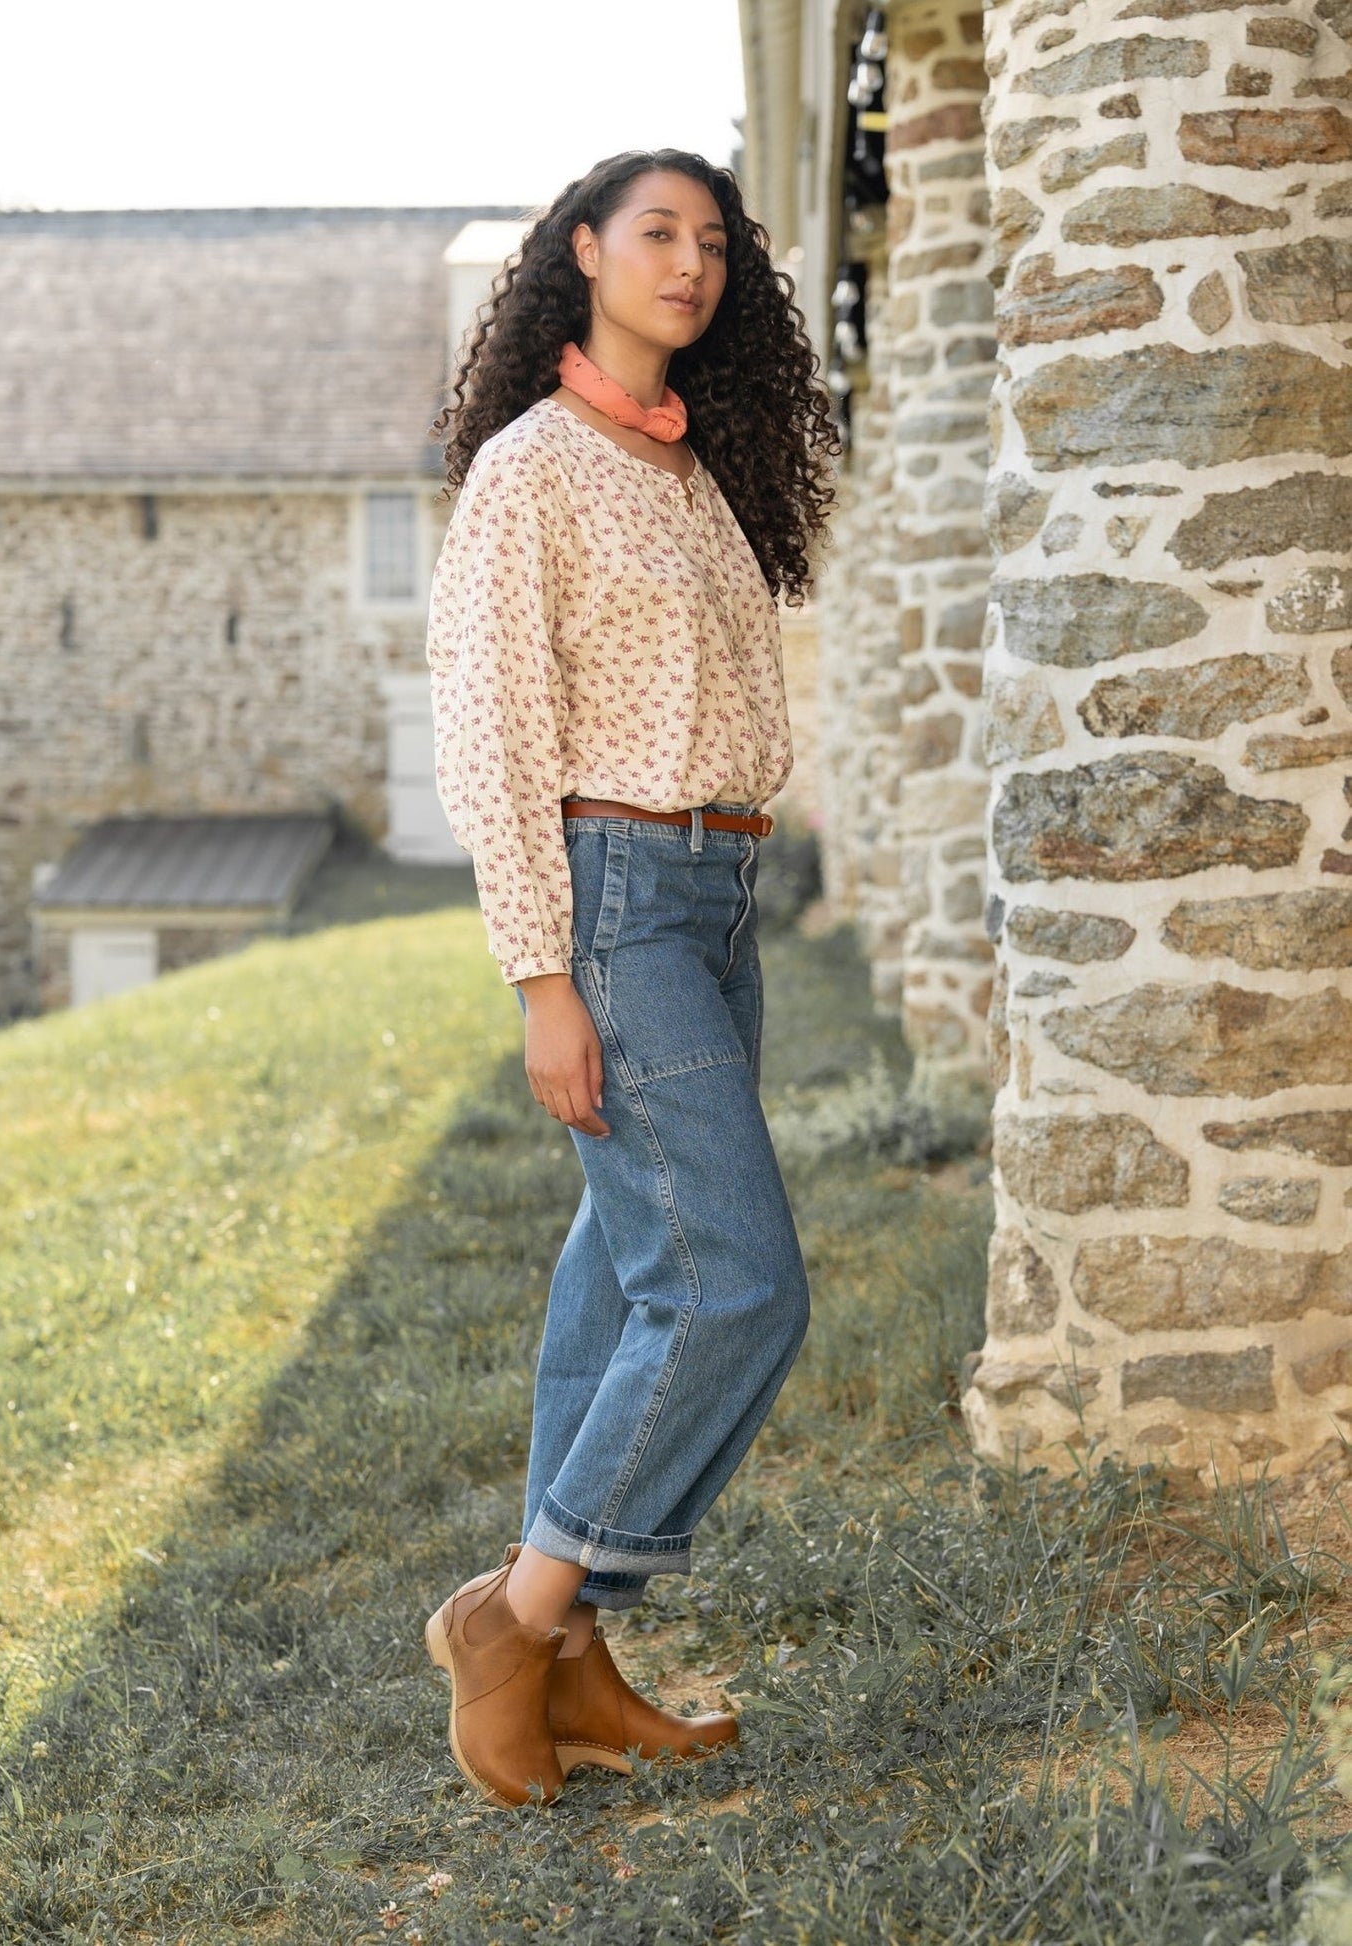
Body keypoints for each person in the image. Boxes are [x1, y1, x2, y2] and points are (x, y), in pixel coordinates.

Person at [419, 148, 840, 1809]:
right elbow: (491, 742)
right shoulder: (528, 472)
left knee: (618, 1285)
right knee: (737, 1279)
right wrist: (542, 974)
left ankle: (577, 1663)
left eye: (714, 242)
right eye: (654, 232)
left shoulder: (687, 471)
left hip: (713, 893)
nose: (689, 262)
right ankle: (511, 1621)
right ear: (579, 255)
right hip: (614, 899)